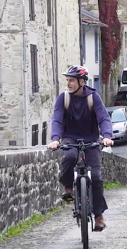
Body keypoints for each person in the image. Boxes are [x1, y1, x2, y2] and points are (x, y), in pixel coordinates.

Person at [48, 65, 115, 231]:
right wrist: (55, 139)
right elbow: (57, 120)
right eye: (68, 80)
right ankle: (68, 188)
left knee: (96, 177)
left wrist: (107, 136)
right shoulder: (63, 98)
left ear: (82, 82)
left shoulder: (93, 97)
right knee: (70, 157)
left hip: (91, 140)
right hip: (70, 138)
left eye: (71, 80)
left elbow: (103, 118)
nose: (68, 83)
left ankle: (98, 216)